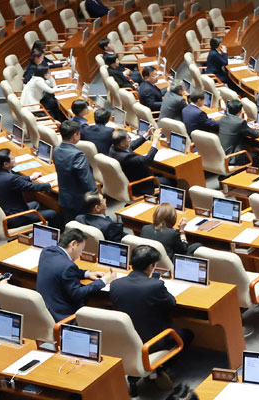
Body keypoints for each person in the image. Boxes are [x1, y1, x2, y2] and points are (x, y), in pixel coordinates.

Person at [109, 244, 194, 380]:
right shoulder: (155, 286)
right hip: (153, 341)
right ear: (150, 267)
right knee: (188, 335)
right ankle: (163, 367)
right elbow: (171, 303)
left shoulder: (115, 284)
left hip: (128, 340)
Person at [39, 227, 115, 320]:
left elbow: (62, 271)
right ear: (73, 244)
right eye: (82, 249)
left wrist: (87, 274)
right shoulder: (68, 266)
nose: (81, 254)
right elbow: (77, 293)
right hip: (63, 316)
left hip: (44, 309)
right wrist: (103, 281)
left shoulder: (47, 251)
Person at [0, 149, 56, 227]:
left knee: (36, 203)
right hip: (15, 217)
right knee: (52, 214)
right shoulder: (10, 179)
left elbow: (15, 179)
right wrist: (51, 184)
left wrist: (30, 178)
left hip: (4, 210)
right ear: (6, 164)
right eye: (12, 158)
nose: (15, 158)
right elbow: (31, 187)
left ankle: (39, 228)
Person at [54, 121, 96, 223]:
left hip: (64, 197)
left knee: (70, 224)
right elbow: (85, 180)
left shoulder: (56, 149)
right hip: (79, 199)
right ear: (75, 135)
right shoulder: (78, 155)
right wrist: (95, 195)